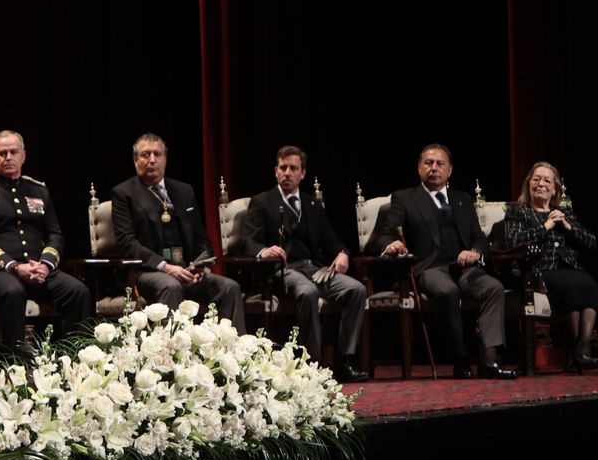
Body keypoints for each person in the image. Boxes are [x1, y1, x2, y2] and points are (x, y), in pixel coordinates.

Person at [372, 143, 515, 379]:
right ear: (419, 168)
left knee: (494, 288)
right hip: (428, 267)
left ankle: (488, 361)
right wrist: (391, 245)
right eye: (428, 163)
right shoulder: (405, 198)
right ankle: (460, 359)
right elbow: (384, 235)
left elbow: (478, 237)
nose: (434, 168)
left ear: (450, 171)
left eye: (440, 164)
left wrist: (476, 252)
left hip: (463, 267)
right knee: (448, 291)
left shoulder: (462, 198)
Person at [241, 145, 369, 382]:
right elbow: (248, 241)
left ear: (303, 173)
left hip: (316, 269)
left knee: (356, 289)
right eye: (283, 168)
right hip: (284, 270)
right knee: (308, 292)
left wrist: (342, 253)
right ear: (275, 171)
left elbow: (331, 240)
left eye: (293, 168)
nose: (287, 173)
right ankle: (313, 362)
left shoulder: (312, 204)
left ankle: (345, 360)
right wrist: (263, 251)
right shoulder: (262, 202)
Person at [0, 130, 93, 349]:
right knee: (13, 291)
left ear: (23, 156)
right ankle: (15, 362)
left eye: (13, 152)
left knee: (78, 292)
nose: (8, 157)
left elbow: (55, 234)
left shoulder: (38, 190)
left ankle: (71, 356)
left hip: (40, 270)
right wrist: (15, 267)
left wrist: (45, 265)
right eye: (2, 153)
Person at [110, 133, 245, 329]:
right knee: (170, 286)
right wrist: (166, 267)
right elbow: (127, 243)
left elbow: (201, 239)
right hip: (145, 271)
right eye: (145, 155)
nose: (152, 160)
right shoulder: (123, 193)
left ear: (165, 159)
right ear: (135, 160)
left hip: (185, 269)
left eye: (157, 154)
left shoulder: (184, 191)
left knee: (230, 288)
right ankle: (172, 354)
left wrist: (199, 267)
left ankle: (235, 354)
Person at [502, 162, 598, 370]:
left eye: (547, 180)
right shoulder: (518, 212)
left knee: (588, 284)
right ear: (529, 184)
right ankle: (577, 353)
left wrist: (567, 226)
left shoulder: (564, 212)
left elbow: (591, 241)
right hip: (538, 269)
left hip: (568, 270)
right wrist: (545, 226)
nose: (541, 184)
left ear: (555, 188)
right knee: (571, 285)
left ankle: (581, 349)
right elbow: (514, 242)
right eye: (536, 179)